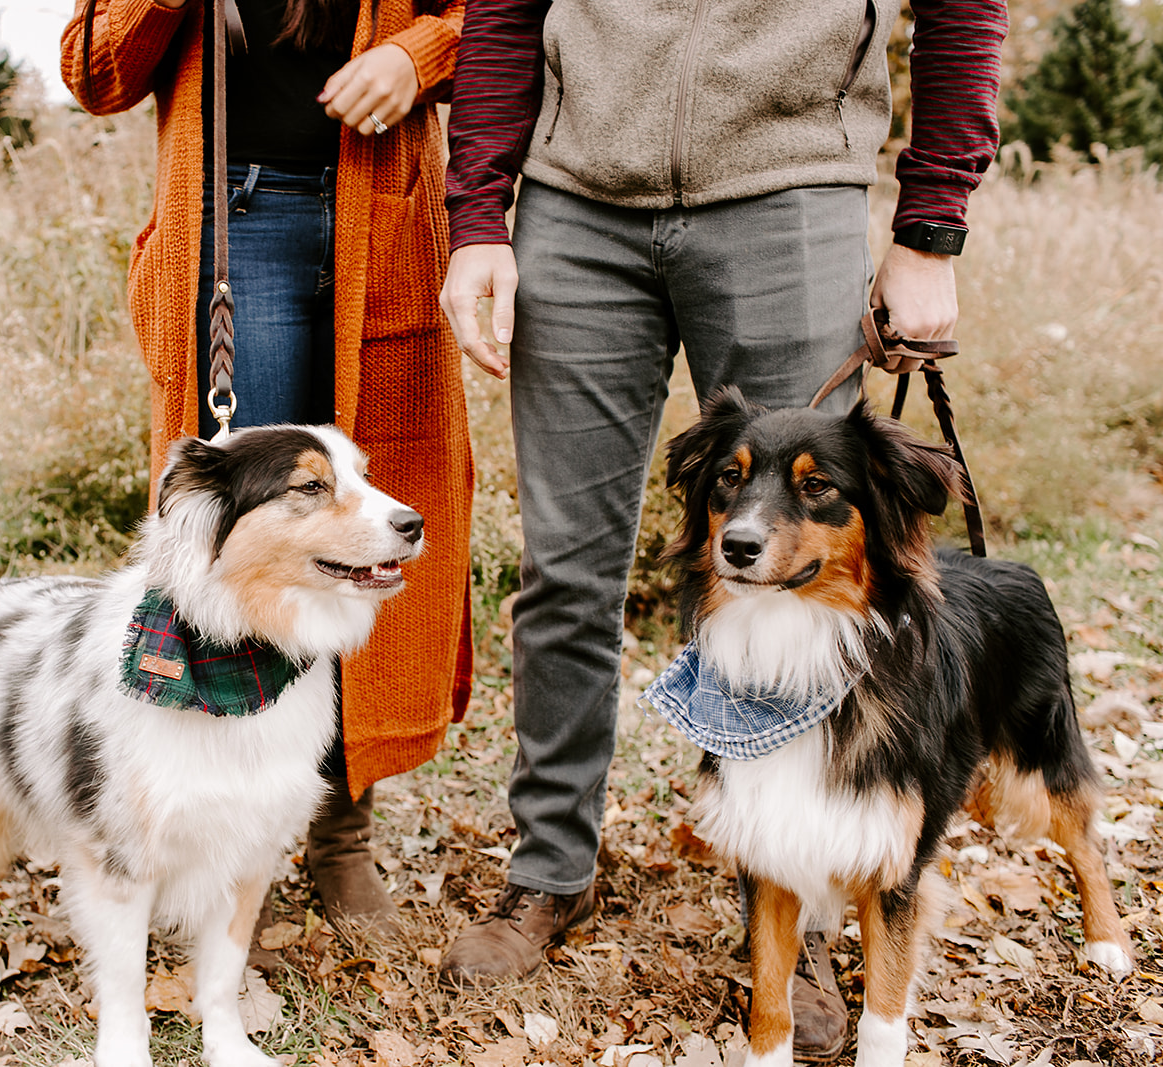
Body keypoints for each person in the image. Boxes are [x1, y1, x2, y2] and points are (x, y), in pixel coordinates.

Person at [434, 0, 1007, 1056]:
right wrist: (477, 215)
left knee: (794, 579)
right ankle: (549, 870)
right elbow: (504, 10)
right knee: (565, 567)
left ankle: (811, 920)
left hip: (787, 192)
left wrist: (930, 226)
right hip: (575, 202)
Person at [60, 0, 474, 935]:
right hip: (231, 230)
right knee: (242, 542)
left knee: (363, 526)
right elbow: (94, 75)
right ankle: (208, 822)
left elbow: (488, 17)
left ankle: (339, 830)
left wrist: (420, 54)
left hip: (389, 219)